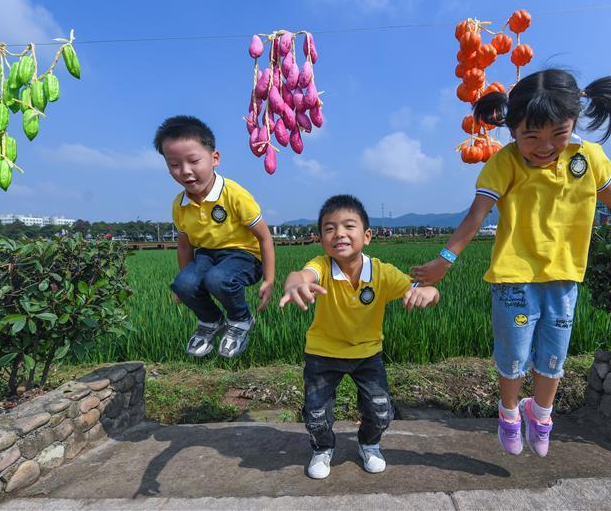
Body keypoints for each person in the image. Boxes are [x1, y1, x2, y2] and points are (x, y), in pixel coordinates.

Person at [410, 69, 611, 457]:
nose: (545, 147)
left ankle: (542, 414)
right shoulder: (505, 163)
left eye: (558, 134)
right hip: (514, 279)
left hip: (564, 277)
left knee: (554, 355)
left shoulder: (589, 158)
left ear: (573, 122)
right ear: (512, 128)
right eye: (531, 136)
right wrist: (444, 261)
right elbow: (476, 215)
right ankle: (509, 412)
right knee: (515, 354)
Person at [280, 195, 439, 479]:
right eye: (329, 228)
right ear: (321, 239)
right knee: (315, 413)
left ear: (367, 236)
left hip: (367, 354)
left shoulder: (382, 273)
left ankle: (369, 443)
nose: (339, 233)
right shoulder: (321, 266)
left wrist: (430, 292)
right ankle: (322, 448)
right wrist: (294, 284)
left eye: (348, 226)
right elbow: (302, 275)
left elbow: (420, 288)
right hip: (322, 354)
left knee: (380, 410)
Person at [154, 115, 275, 358]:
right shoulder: (180, 204)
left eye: (193, 161)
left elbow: (264, 237)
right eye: (175, 164)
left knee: (218, 278)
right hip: (207, 255)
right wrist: (185, 285)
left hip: (245, 255)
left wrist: (269, 280)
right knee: (183, 283)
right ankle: (210, 321)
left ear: (214, 158)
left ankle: (241, 320)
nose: (185, 171)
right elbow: (185, 246)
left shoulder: (234, 194)